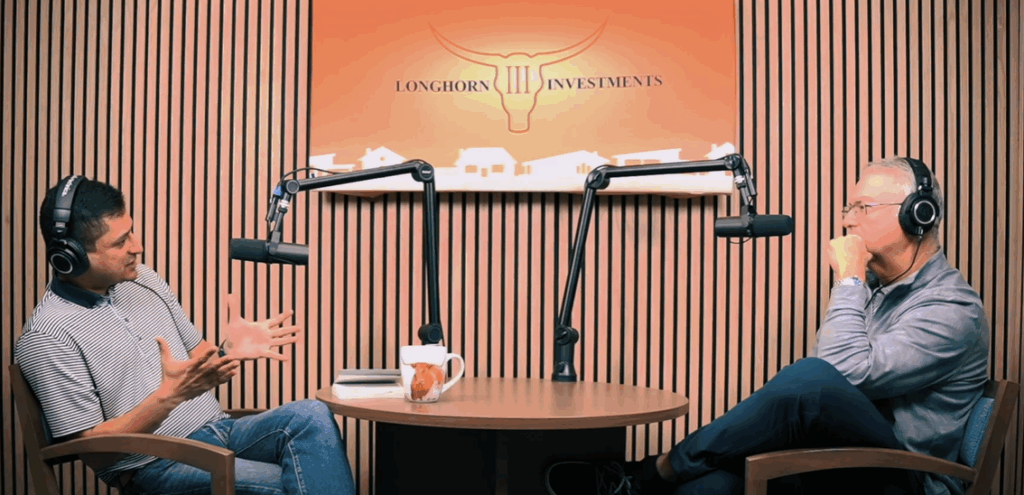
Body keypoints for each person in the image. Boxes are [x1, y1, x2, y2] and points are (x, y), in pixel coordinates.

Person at [545, 157, 988, 495]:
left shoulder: (951, 309)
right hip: (843, 460)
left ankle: (654, 470)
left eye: (861, 207)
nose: (846, 219)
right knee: (705, 488)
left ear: (919, 213)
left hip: (905, 479)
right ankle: (654, 479)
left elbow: (839, 373)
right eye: (847, 207)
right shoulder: (880, 290)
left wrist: (850, 277)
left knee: (811, 377)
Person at [14, 175, 356, 495]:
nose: (139, 247)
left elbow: (198, 360)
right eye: (120, 242)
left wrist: (226, 351)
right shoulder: (48, 335)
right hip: (154, 464)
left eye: (132, 232)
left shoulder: (143, 280)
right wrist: (169, 398)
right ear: (68, 257)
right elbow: (96, 453)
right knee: (296, 481)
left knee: (311, 414)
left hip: (216, 431)